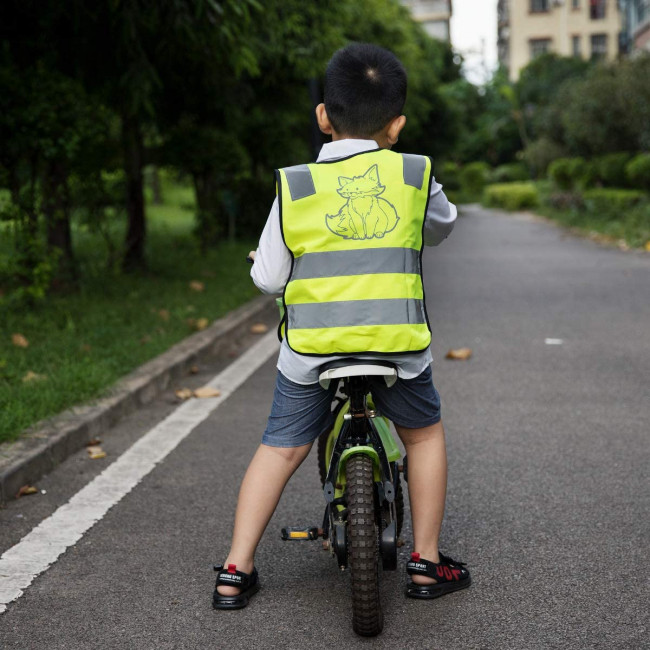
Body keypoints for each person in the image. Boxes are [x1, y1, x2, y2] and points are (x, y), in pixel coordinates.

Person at [213, 42, 470, 610]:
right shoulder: (412, 174)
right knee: (423, 436)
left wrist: (268, 268)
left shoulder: (296, 184)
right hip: (397, 350)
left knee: (279, 448)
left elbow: (270, 278)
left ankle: (235, 570)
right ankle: (426, 560)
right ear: (397, 124)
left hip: (312, 351)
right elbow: (444, 228)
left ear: (323, 115)